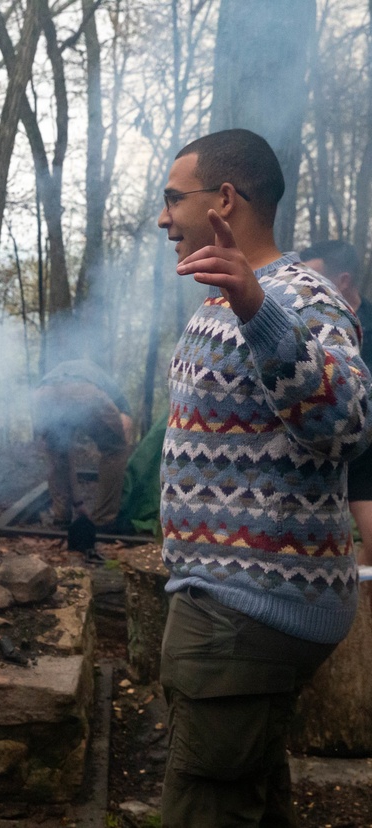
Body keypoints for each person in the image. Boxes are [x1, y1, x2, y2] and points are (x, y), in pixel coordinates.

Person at [156, 128, 372, 827]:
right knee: (250, 798)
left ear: (224, 198)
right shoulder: (224, 298)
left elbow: (347, 423)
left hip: (246, 610)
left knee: (206, 807)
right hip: (229, 604)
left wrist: (258, 306)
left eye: (172, 199)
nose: (163, 218)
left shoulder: (298, 295)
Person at [300, 240, 372, 566]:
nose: (305, 289)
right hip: (313, 455)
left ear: (343, 282)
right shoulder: (303, 327)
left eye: (314, 279)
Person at [31, 359, 135, 530]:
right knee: (115, 450)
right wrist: (125, 417)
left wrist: (78, 503)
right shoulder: (101, 377)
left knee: (59, 452)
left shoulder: (61, 369)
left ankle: (61, 516)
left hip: (43, 394)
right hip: (84, 392)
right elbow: (126, 420)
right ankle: (104, 520)